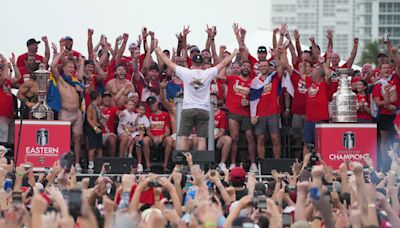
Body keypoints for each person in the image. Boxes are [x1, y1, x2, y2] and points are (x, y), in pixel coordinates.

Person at [155, 46, 239, 151]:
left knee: (183, 137)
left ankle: (180, 164)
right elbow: (223, 63)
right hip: (203, 109)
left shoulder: (186, 72)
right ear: (202, 64)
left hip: (188, 108)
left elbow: (169, 63)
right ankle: (200, 164)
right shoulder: (208, 73)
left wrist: (159, 51)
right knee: (201, 138)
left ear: (192, 63)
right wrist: (233, 54)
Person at [218, 61, 256, 171]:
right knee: (234, 137)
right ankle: (233, 163)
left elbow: (258, 98)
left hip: (248, 113)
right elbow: (220, 77)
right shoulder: (232, 78)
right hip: (234, 113)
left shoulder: (253, 82)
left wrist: (249, 102)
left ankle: (253, 164)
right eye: (244, 65)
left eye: (248, 66)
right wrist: (225, 63)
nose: (246, 67)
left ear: (251, 69)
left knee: (250, 137)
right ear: (240, 68)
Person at [51, 49, 84, 172]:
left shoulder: (75, 82)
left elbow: (80, 76)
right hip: (65, 112)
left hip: (77, 113)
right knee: (63, 139)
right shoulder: (60, 80)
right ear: (64, 68)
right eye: (69, 67)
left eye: (73, 68)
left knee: (77, 139)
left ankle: (77, 163)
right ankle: (63, 163)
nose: (71, 69)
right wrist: (60, 53)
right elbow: (53, 66)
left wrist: (81, 62)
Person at [250, 58, 283, 160]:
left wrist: (278, 55)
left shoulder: (274, 78)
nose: (263, 68)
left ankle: (277, 165)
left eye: (265, 66)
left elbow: (282, 66)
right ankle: (262, 165)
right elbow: (252, 100)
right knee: (260, 139)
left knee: (275, 138)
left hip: (273, 112)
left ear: (269, 68)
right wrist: (253, 115)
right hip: (260, 114)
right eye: (261, 66)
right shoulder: (255, 81)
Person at [143, 96, 173, 172]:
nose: (152, 105)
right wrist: (153, 137)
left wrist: (161, 136)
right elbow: (147, 130)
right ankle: (148, 165)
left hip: (162, 139)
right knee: (145, 140)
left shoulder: (165, 114)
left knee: (169, 140)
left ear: (156, 103)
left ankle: (165, 165)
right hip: (152, 139)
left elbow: (168, 130)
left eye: (153, 103)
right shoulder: (147, 115)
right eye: (150, 104)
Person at [86, 91, 103, 172]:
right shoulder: (91, 107)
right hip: (92, 129)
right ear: (97, 97)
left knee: (99, 147)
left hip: (99, 128)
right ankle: (91, 163)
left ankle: (99, 163)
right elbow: (89, 118)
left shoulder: (98, 107)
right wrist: (95, 128)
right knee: (92, 147)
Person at [100, 91, 118, 157]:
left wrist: (121, 114)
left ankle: (111, 161)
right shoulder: (97, 108)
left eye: (109, 98)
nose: (107, 99)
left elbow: (118, 113)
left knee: (112, 139)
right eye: (105, 97)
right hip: (98, 133)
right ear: (101, 99)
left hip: (110, 134)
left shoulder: (113, 109)